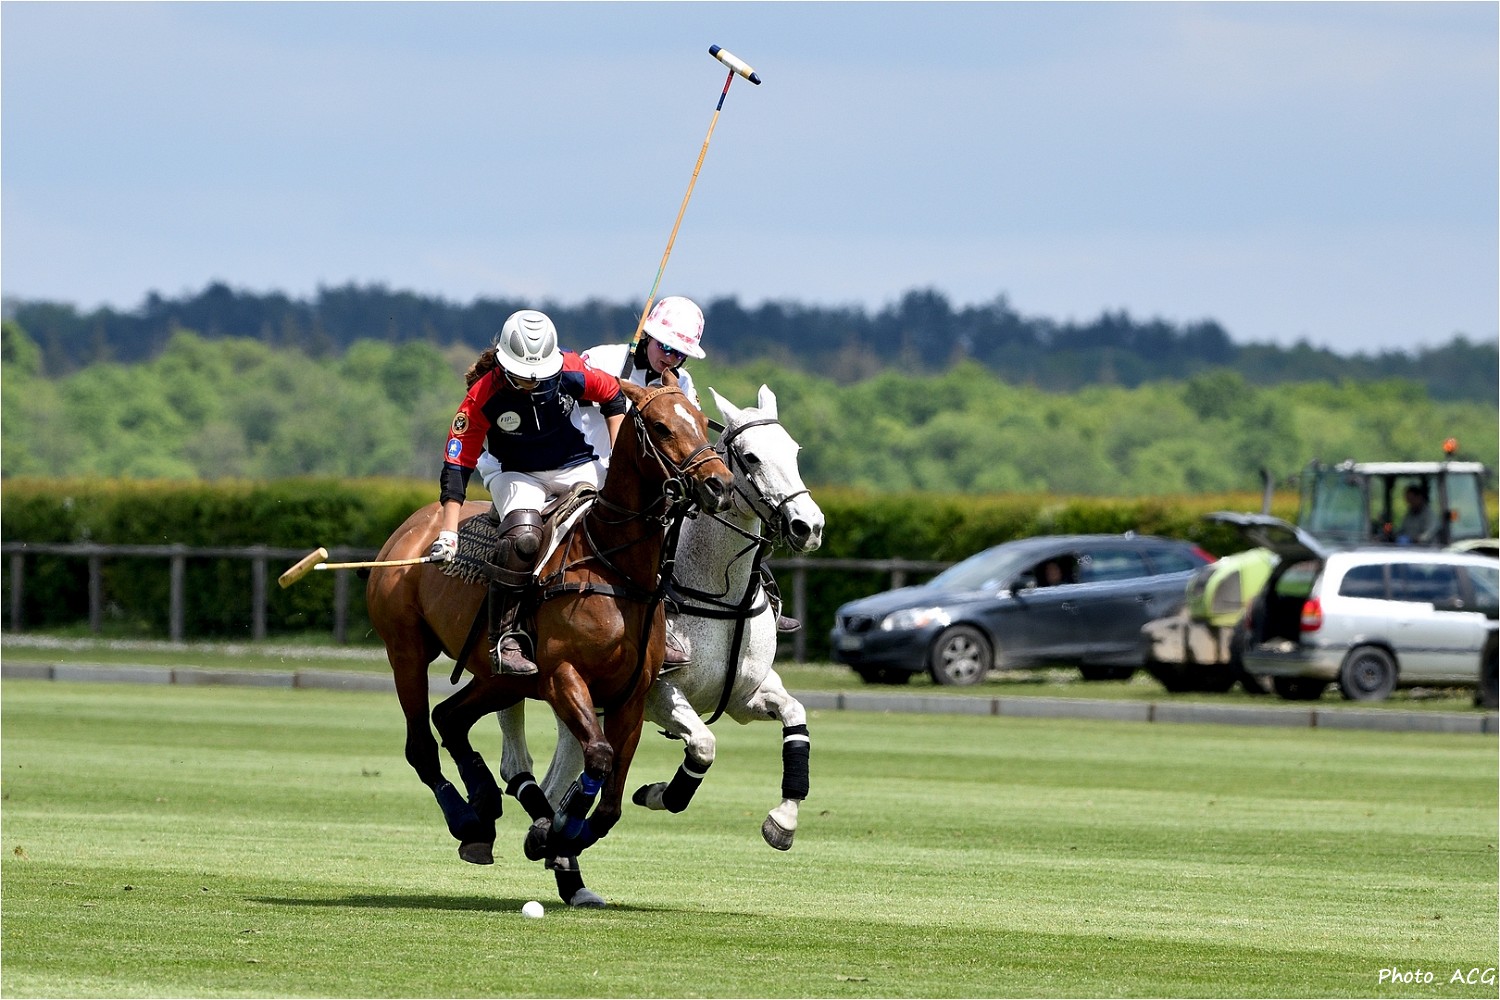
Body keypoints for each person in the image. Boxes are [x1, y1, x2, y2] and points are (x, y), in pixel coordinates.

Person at [428, 309, 628, 676]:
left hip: (576, 465)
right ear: (504, 365)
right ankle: (506, 637)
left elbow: (613, 394)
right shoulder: (482, 396)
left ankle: (664, 619)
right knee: (523, 538)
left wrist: (616, 456)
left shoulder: (569, 369)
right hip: (516, 473)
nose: (534, 382)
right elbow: (457, 465)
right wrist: (448, 533)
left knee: (633, 513)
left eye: (540, 375)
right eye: (524, 376)